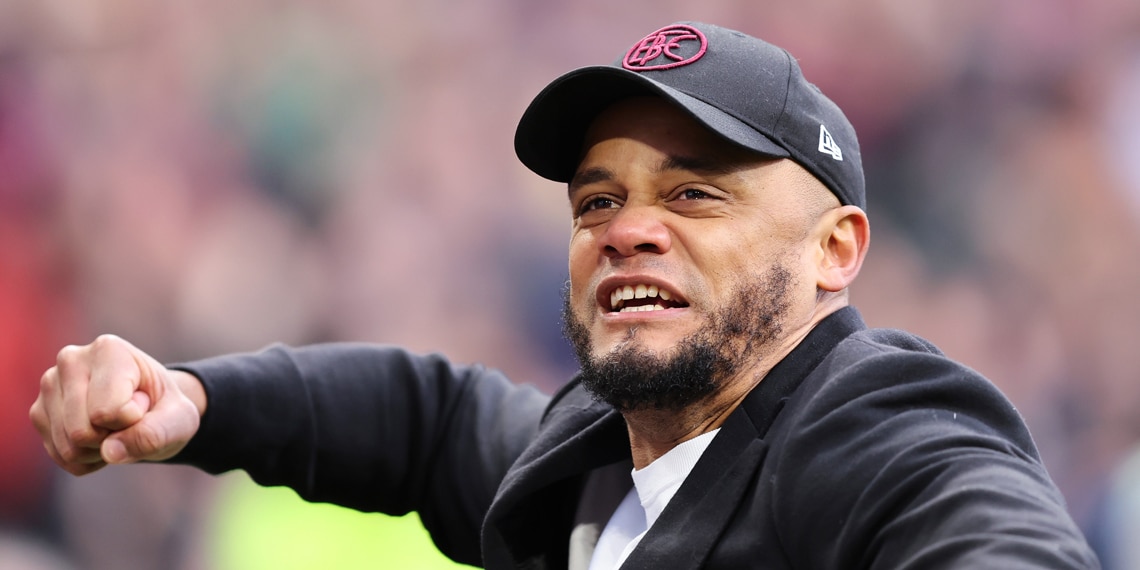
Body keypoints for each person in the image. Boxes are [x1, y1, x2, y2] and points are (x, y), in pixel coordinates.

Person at [29, 21, 1099, 569]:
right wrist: (194, 403)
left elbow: (979, 527)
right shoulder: (603, 455)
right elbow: (430, 421)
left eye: (695, 193)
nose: (628, 227)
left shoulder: (865, 421)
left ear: (835, 250)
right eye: (597, 202)